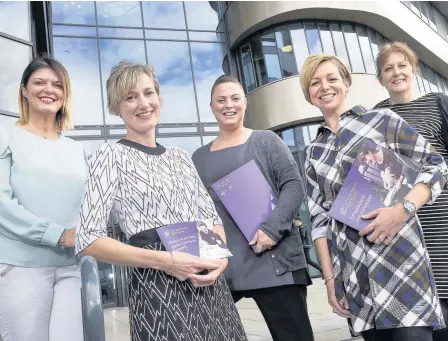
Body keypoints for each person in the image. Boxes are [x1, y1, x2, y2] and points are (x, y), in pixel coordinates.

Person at [75, 62, 247, 341]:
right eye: (130, 97)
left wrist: (220, 263)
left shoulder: (180, 157)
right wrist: (166, 261)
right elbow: (87, 240)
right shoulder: (108, 156)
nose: (143, 103)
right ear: (116, 107)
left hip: (209, 285)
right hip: (158, 289)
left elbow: (211, 221)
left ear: (159, 98)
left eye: (148, 93)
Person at [302, 53, 447, 341]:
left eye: (332, 79)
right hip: (355, 273)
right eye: (315, 83)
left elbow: (436, 165)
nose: (325, 87)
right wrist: (330, 280)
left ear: (346, 83)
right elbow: (318, 220)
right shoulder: (312, 152)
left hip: (401, 260)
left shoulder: (381, 120)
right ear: (309, 94)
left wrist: (403, 209)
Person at [192, 75, 314, 341]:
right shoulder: (198, 158)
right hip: (226, 270)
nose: (229, 105)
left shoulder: (266, 141)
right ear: (211, 106)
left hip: (274, 263)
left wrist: (272, 228)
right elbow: (198, 211)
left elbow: (294, 186)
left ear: (245, 103)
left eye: (235, 98)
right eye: (221, 100)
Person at [0, 56, 88, 341]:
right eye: (39, 82)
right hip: (20, 268)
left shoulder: (78, 150)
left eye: (57, 84)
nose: (49, 89)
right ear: (24, 90)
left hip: (72, 267)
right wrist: (59, 235)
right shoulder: (6, 136)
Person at [373, 41, 448, 340]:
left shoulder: (437, 103)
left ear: (414, 69)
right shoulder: (376, 116)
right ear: (380, 78)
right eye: (388, 68)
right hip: (402, 225)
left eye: (402, 65)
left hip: (441, 218)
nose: (396, 72)